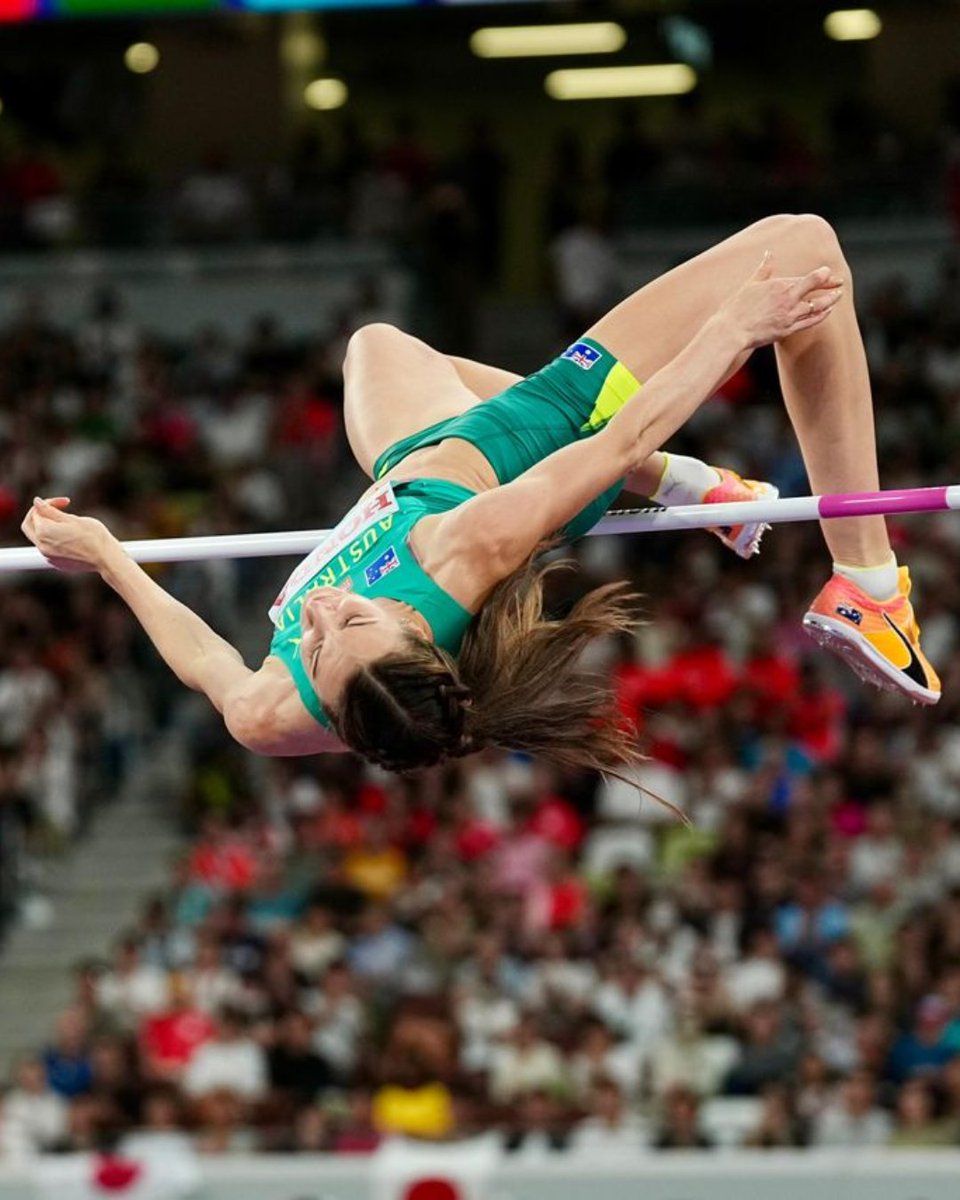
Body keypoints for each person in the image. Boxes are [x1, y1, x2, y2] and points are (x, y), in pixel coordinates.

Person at [20, 215, 940, 779]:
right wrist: (735, 329)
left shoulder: (281, 712)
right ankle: (870, 582)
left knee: (376, 342)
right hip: (542, 435)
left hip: (412, 459)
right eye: (353, 625)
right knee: (806, 248)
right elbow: (622, 437)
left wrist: (107, 556)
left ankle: (704, 492)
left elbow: (202, 664)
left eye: (314, 639)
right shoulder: (467, 550)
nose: (323, 616)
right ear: (420, 635)